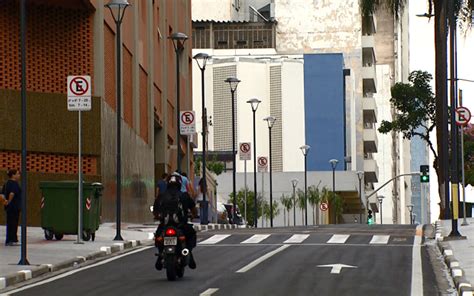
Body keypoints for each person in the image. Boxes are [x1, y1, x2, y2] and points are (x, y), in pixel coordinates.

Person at [153, 173, 197, 270]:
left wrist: (157, 216)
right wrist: (193, 215)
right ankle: (188, 252)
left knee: (158, 236)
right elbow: (194, 209)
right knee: (192, 234)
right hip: (181, 226)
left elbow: (155, 210)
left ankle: (160, 254)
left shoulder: (161, 196)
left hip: (165, 226)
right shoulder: (184, 196)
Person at [2, 169, 21, 246]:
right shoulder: (14, 184)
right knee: (13, 223)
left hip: (9, 207)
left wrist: (5, 201)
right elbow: (12, 193)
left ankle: (10, 239)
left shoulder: (6, 183)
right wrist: (9, 201)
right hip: (14, 206)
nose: (19, 175)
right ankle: (12, 239)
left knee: (10, 223)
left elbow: (2, 194)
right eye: (17, 174)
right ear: (13, 175)